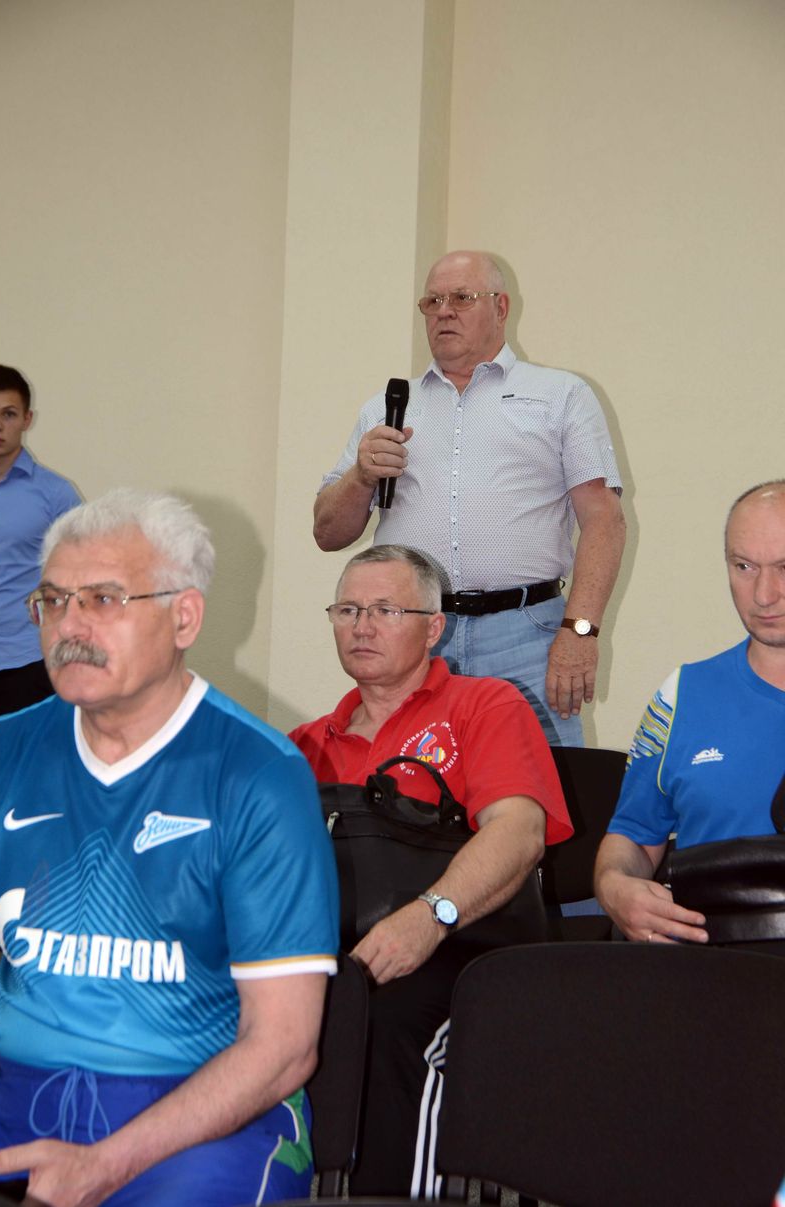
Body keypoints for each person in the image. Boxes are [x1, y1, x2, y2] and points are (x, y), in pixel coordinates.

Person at [0, 488, 339, 1207]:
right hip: (15, 1085)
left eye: (103, 599)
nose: (69, 626)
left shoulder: (258, 776)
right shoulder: (2, 749)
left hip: (201, 1106)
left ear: (185, 617)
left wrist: (105, 1164)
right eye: (52, 600)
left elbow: (282, 1048)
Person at [290, 544, 572, 1196]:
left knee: (382, 1017)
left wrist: (430, 916)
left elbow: (519, 833)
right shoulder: (302, 745)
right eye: (348, 610)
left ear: (434, 627)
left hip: (462, 955)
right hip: (335, 958)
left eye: (386, 610)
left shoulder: (485, 704)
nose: (362, 626)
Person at [313, 250, 626, 746]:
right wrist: (360, 476)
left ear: (500, 307)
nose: (444, 312)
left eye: (461, 298)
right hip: (415, 637)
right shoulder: (386, 409)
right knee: (412, 785)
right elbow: (328, 533)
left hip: (527, 636)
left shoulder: (560, 396)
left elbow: (605, 521)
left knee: (539, 785)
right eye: (432, 302)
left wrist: (580, 631)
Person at [595, 480, 785, 945]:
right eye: (744, 566)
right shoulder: (679, 696)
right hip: (710, 961)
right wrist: (614, 886)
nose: (764, 594)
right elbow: (635, 835)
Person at [0, 364, 81, 726]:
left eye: (8, 414)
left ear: (27, 419)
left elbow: (84, 573)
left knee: (21, 760)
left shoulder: (57, 495)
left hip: (25, 663)